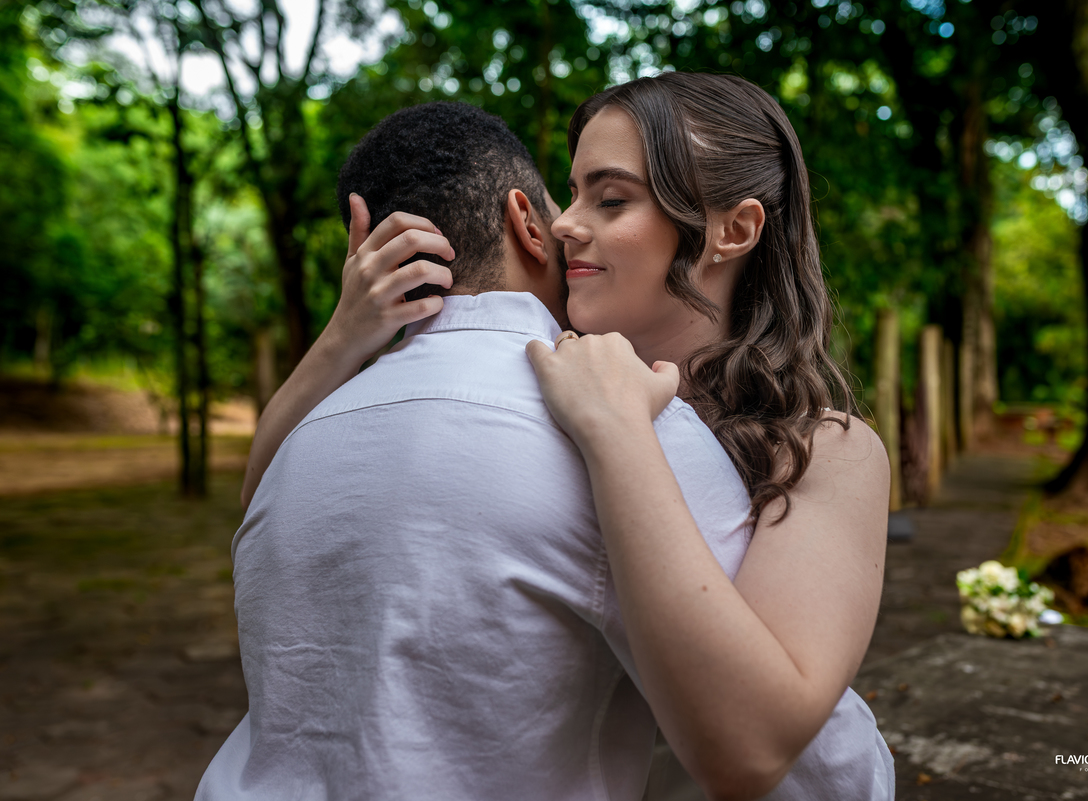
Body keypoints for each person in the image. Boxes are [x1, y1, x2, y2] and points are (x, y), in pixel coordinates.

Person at [241, 73, 895, 799]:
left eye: (609, 199)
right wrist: (347, 335)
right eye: (572, 193)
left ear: (733, 229)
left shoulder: (826, 449)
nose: (563, 224)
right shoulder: (532, 388)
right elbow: (266, 499)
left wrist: (619, 433)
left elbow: (755, 748)